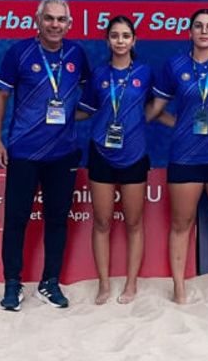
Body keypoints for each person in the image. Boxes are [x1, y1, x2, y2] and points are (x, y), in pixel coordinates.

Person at [0, 0, 90, 311]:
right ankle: (12, 283)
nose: (55, 25)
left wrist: (72, 116)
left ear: (69, 24)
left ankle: (50, 282)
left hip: (63, 153)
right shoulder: (19, 53)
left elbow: (90, 93)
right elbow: (1, 96)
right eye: (49, 18)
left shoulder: (76, 54)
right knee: (16, 219)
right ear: (38, 20)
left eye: (61, 19)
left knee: (57, 220)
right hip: (24, 152)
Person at [147, 9, 208, 303]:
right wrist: (170, 122)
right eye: (199, 26)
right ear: (190, 32)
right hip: (185, 155)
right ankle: (179, 288)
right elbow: (155, 110)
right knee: (181, 223)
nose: (204, 31)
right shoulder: (174, 65)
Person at [76, 16, 167, 305]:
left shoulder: (145, 73)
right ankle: (104, 284)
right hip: (101, 153)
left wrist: (176, 123)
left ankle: (131, 283)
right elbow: (86, 110)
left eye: (125, 35)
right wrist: (55, 115)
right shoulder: (99, 75)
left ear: (133, 40)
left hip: (135, 155)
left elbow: (156, 106)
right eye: (115, 35)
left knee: (134, 222)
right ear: (108, 41)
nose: (120, 40)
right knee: (102, 221)